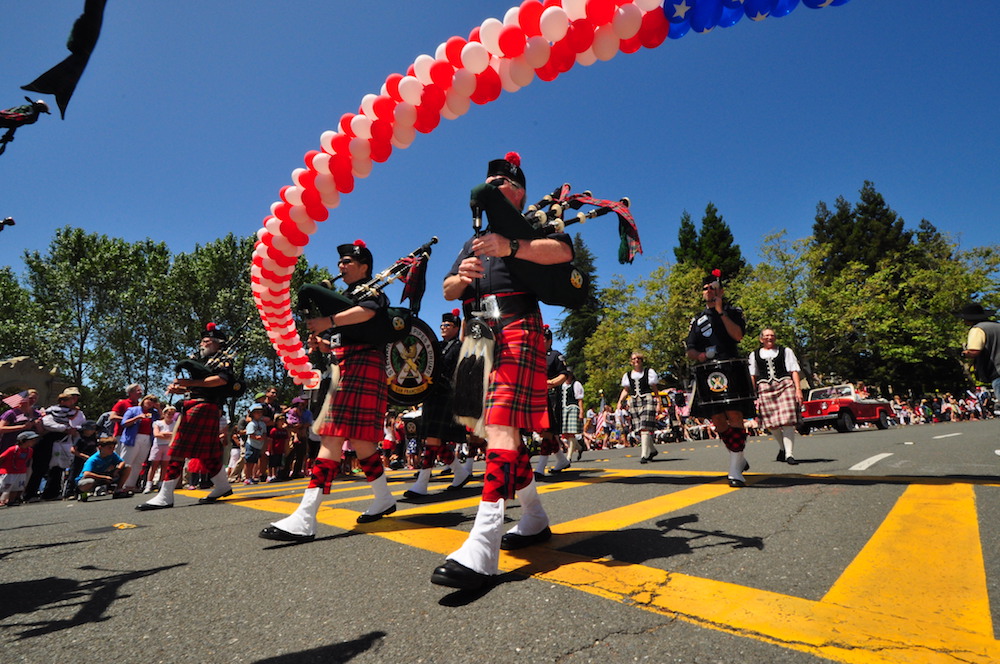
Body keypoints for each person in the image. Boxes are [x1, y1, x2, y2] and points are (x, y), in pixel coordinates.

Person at [430, 151, 573, 591]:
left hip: (517, 327)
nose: (494, 184)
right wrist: (465, 275)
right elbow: (447, 286)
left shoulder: (535, 222)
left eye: (502, 179)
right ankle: (533, 518)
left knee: (499, 427)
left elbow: (563, 252)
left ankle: (484, 543)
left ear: (519, 190)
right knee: (491, 431)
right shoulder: (473, 238)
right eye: (488, 178)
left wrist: (512, 246)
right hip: (478, 335)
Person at [260, 239, 397, 542]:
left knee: (332, 435)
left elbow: (369, 313)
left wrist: (328, 321)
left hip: (362, 365)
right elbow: (346, 336)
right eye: (340, 263)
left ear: (364, 267)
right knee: (362, 443)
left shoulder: (371, 291)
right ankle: (384, 498)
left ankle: (306, 517)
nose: (341, 266)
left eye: (348, 262)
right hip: (347, 365)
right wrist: (323, 342)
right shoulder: (346, 297)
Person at [135, 323, 235, 510]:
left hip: (203, 406)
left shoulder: (224, 358)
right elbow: (196, 386)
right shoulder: (202, 360)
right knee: (208, 452)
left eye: (206, 341)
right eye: (202, 341)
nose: (202, 344)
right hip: (197, 405)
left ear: (216, 343)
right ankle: (222, 486)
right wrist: (180, 388)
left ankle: (165, 495)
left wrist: (190, 382)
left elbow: (221, 380)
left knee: (178, 447)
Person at [686, 269, 753, 488]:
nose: (708, 291)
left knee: (735, 414)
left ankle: (734, 470)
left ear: (721, 291)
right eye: (705, 289)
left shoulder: (733, 311)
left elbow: (738, 336)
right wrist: (701, 355)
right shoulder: (697, 319)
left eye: (712, 288)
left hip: (731, 368)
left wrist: (720, 311)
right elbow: (691, 349)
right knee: (717, 420)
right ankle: (739, 457)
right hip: (708, 372)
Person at [404, 309, 472, 499]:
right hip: (432, 393)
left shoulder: (459, 346)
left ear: (456, 327)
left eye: (447, 325)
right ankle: (460, 473)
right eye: (441, 325)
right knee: (434, 439)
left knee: (432, 438)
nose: (442, 328)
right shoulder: (437, 345)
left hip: (447, 394)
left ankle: (422, 483)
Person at [749, 329, 803, 465]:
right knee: (771, 424)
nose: (769, 338)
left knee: (787, 421)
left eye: (772, 335)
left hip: (785, 385)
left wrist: (798, 389)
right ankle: (782, 448)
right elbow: (752, 375)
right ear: (761, 339)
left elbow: (794, 370)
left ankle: (789, 454)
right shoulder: (754, 355)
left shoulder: (786, 351)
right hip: (765, 388)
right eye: (766, 336)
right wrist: (752, 394)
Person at [534, 326, 571, 476]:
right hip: (537, 396)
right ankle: (562, 460)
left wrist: (551, 383)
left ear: (549, 340)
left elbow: (564, 374)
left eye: (542, 338)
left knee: (547, 432)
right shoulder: (534, 356)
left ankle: (540, 468)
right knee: (545, 432)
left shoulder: (555, 355)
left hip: (551, 396)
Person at [616, 351, 661, 464]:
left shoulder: (649, 372)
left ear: (642, 360)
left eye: (638, 358)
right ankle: (653, 450)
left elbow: (655, 388)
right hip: (634, 401)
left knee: (645, 426)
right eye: (634, 359)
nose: (636, 360)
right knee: (640, 428)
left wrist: (659, 402)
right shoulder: (627, 375)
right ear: (631, 362)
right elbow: (626, 390)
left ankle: (644, 455)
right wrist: (620, 401)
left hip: (647, 399)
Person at [117, 395, 160, 492]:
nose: (151, 402)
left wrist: (159, 408)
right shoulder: (132, 410)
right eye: (149, 399)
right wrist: (137, 418)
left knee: (138, 463)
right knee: (127, 462)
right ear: (144, 400)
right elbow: (124, 423)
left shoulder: (154, 413)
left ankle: (130, 485)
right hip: (133, 438)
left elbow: (161, 420)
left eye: (154, 401)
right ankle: (120, 485)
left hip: (147, 438)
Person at [958, 303, 1000, 397]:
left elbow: (974, 351)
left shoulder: (978, 329)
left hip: (997, 372)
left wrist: (963, 354)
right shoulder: (997, 326)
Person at [0, 431, 38, 506]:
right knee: (3, 487)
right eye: (31, 440)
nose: (34, 441)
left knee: (16, 487)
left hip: (21, 471)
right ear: (23, 441)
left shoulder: (30, 450)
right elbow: (1, 457)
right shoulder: (12, 449)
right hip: (8, 472)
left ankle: (11, 500)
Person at [147, 406, 177, 493]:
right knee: (154, 465)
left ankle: (161, 483)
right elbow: (156, 434)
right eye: (168, 414)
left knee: (165, 465)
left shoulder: (174, 423)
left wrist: (164, 434)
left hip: (168, 446)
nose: (170, 416)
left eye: (172, 414)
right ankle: (149, 484)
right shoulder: (158, 423)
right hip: (158, 445)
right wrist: (167, 435)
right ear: (164, 414)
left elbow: (175, 435)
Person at [560, 368, 585, 462]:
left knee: (571, 433)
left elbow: (580, 399)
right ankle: (579, 447)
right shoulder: (562, 385)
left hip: (573, 409)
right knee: (565, 434)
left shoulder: (576, 384)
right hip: (563, 409)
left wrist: (581, 411)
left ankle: (568, 457)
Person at [242, 403, 267, 485]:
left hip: (258, 445)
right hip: (251, 445)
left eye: (260, 412)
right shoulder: (251, 424)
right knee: (248, 462)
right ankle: (247, 477)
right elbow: (251, 435)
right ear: (252, 414)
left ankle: (252, 476)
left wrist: (263, 437)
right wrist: (258, 437)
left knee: (254, 462)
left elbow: (264, 433)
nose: (259, 414)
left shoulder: (262, 424)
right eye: (257, 412)